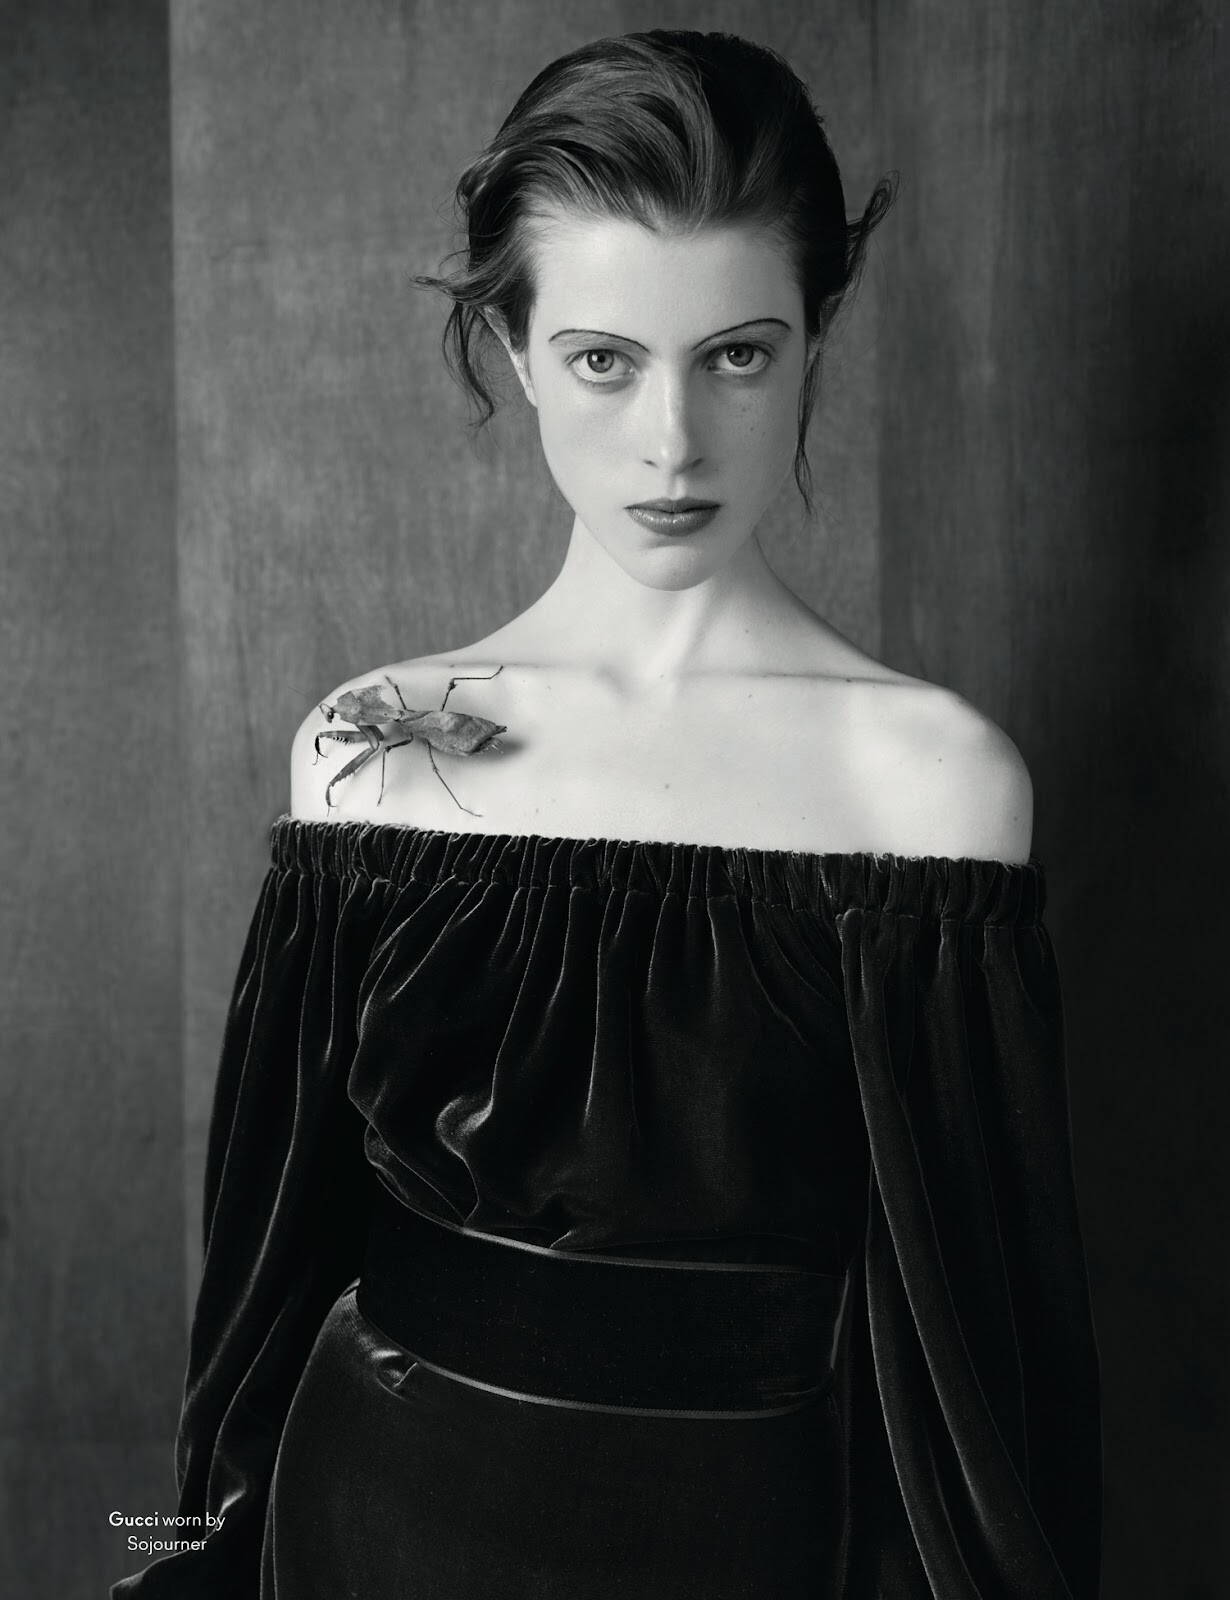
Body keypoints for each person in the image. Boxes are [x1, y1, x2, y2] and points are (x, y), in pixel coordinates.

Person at [111, 28, 1103, 1600]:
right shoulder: (370, 754)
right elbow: (264, 1281)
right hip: (365, 1530)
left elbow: (981, 1383)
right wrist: (185, 1560)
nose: (671, 441)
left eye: (737, 354)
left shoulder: (930, 791)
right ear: (512, 350)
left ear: (814, 337)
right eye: (601, 359)